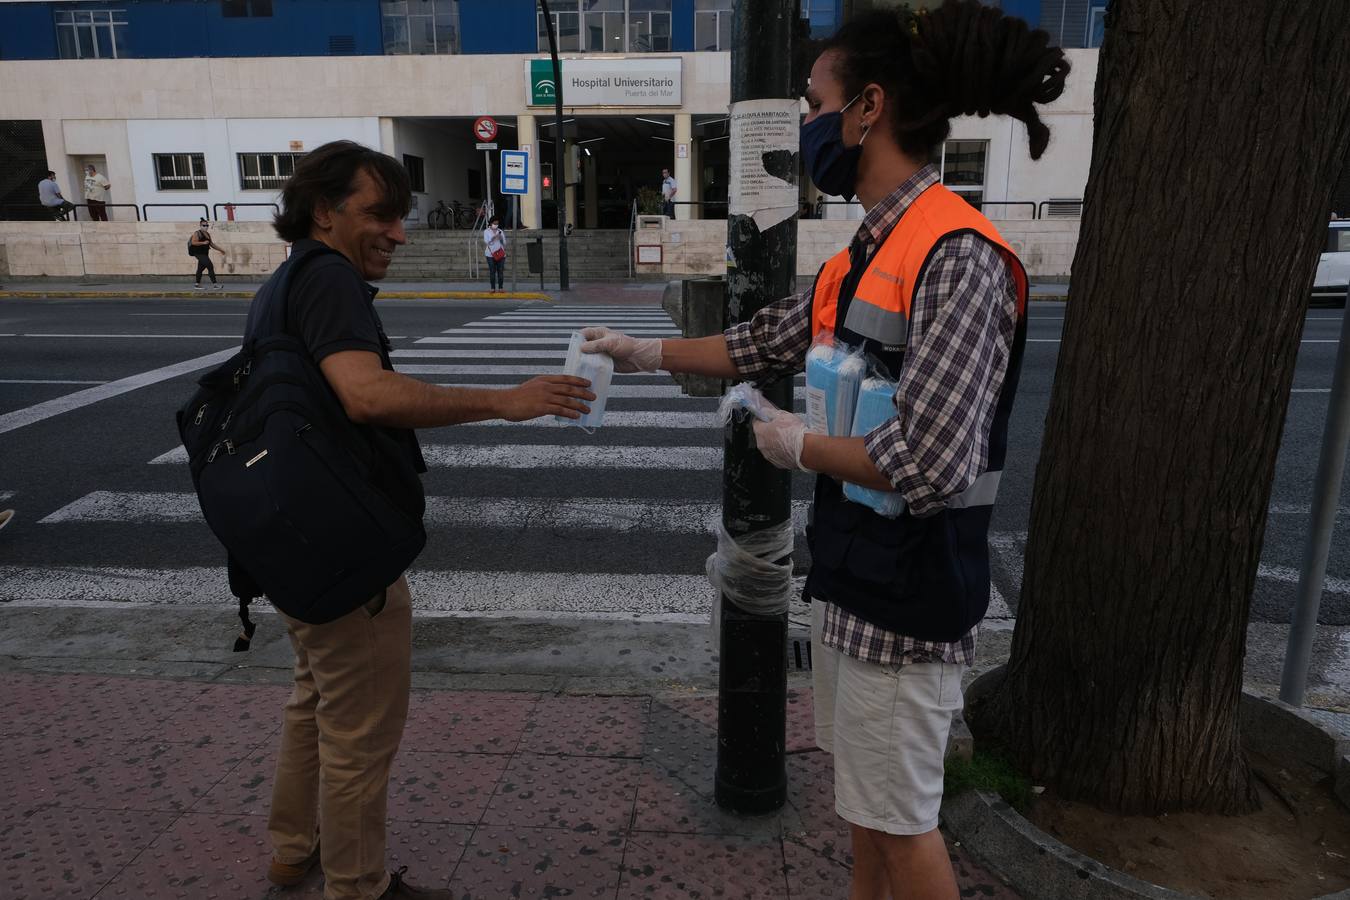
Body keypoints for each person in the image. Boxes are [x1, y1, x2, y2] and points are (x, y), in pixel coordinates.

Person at [581, 3, 1066, 897]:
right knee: (869, 817)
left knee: (904, 828)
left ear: (868, 108)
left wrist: (796, 445)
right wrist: (641, 352)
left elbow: (931, 461)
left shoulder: (957, 255)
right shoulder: (860, 253)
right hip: (854, 580)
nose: (808, 122)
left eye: (815, 99)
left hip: (911, 597)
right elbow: (758, 342)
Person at [258, 140, 593, 900]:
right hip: (345, 551)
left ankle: (292, 849)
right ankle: (359, 885)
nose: (399, 234)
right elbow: (366, 395)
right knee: (359, 732)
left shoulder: (283, 284)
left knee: (314, 699)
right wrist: (505, 401)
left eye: (402, 217)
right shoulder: (331, 280)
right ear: (323, 212)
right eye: (379, 214)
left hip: (290, 539)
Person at [190, 218, 224, 290]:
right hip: (198, 253)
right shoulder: (197, 233)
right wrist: (203, 242)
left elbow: (211, 244)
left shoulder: (207, 234)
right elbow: (193, 242)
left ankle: (197, 285)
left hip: (205, 254)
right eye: (204, 225)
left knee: (200, 269)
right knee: (210, 266)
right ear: (200, 225)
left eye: (207, 225)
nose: (206, 227)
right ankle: (215, 285)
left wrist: (220, 250)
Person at [482, 214, 507, 293]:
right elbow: (486, 242)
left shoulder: (500, 231)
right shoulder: (486, 231)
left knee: (500, 271)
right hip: (490, 254)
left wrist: (501, 239)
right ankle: (492, 288)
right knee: (492, 271)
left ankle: (501, 287)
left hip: (500, 254)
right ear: (491, 223)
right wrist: (493, 238)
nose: (496, 225)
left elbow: (504, 243)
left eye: (497, 223)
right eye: (494, 223)